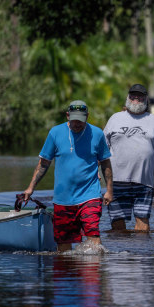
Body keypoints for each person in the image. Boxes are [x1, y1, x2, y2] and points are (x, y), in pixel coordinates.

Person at [23, 100, 113, 251]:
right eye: (74, 119)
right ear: (67, 116)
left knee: (93, 236)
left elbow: (105, 163)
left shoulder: (96, 134)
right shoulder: (55, 133)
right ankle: (68, 271)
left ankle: (91, 272)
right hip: (63, 199)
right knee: (63, 244)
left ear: (87, 116)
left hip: (89, 195)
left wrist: (110, 190)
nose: (77, 123)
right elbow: (44, 163)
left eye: (81, 120)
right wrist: (30, 188)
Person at [104, 84, 154, 232]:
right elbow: (101, 149)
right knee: (117, 225)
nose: (136, 99)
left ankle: (140, 254)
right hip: (116, 181)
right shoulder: (115, 119)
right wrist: (95, 171)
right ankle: (120, 254)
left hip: (144, 182)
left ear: (146, 99)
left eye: (140, 96)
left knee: (143, 225)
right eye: (133, 96)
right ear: (128, 98)